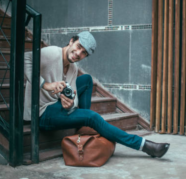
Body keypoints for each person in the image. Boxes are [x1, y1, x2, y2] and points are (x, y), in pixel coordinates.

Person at [24, 31, 170, 158]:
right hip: (41, 112)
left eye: (84, 53)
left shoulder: (73, 68)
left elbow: (72, 98)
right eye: (79, 47)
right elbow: (24, 59)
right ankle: (144, 145)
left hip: (55, 104)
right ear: (71, 41)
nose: (78, 54)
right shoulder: (53, 53)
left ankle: (82, 122)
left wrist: (69, 105)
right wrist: (45, 84)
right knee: (91, 117)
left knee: (87, 79)